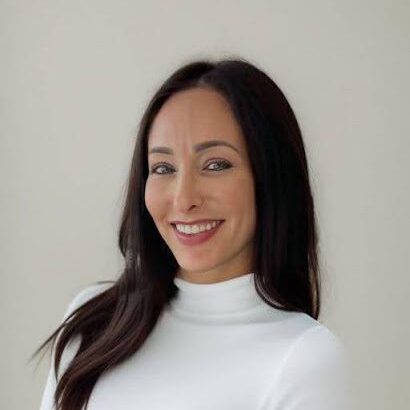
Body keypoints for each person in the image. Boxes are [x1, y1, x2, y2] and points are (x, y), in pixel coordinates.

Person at [33, 57, 352, 409]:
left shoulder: (304, 359)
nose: (184, 199)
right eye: (163, 167)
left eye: (216, 165)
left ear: (271, 177)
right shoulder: (93, 319)